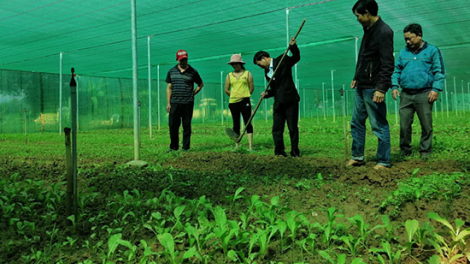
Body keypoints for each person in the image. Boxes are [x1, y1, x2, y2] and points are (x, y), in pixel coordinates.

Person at [348, 0, 394, 169]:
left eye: (358, 16)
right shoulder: (367, 29)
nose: (357, 19)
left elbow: (388, 63)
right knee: (356, 121)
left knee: (378, 124)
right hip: (362, 84)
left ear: (367, 13)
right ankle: (357, 156)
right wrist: (356, 75)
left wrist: (381, 88)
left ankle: (383, 160)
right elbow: (364, 56)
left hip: (373, 87)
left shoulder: (384, 31)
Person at [392, 23, 445, 159]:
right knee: (404, 125)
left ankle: (425, 151)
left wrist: (436, 89)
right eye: (406, 39)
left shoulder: (432, 51)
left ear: (420, 35)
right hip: (406, 94)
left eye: (410, 38)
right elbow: (396, 71)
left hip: (425, 94)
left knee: (426, 125)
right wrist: (394, 86)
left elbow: (439, 71)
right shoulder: (403, 53)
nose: (408, 42)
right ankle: (405, 150)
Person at [253, 37, 300, 157]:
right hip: (279, 103)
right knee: (276, 128)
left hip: (290, 101)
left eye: (260, 64)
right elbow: (274, 89)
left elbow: (296, 57)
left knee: (292, 128)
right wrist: (267, 94)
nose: (260, 67)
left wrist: (293, 46)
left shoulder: (282, 60)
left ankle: (294, 151)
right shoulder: (267, 72)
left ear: (264, 58)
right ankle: (279, 151)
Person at [165, 49, 204, 152]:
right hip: (175, 102)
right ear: (177, 60)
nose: (184, 62)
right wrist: (168, 103)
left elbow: (200, 84)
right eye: (181, 60)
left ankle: (185, 147)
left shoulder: (193, 72)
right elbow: (169, 87)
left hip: (187, 103)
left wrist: (194, 93)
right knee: (173, 125)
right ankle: (173, 147)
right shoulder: (171, 71)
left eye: (185, 59)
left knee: (186, 125)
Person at [225, 54, 254, 151]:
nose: (235, 66)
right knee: (235, 123)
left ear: (241, 64)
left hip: (245, 101)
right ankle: (237, 146)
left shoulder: (247, 74)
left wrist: (244, 95)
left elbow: (251, 88)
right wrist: (234, 95)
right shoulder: (229, 76)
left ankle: (250, 147)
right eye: (233, 64)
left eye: (237, 64)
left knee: (248, 122)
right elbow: (226, 90)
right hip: (233, 102)